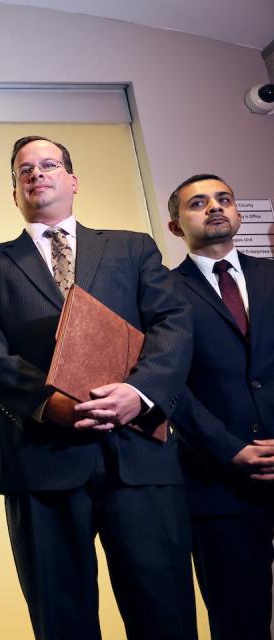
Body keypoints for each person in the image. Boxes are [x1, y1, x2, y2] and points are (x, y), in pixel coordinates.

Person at [0, 136, 197, 639]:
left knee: (165, 613)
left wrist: (140, 392)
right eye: (25, 169)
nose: (37, 173)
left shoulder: (133, 248)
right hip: (41, 459)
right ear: (14, 190)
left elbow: (172, 324)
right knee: (61, 619)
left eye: (49, 165)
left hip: (139, 454)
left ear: (73, 180)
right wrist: (47, 404)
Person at [167, 173, 274, 640]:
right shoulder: (160, 293)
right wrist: (228, 449)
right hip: (216, 482)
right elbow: (167, 384)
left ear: (237, 212)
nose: (213, 207)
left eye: (223, 199)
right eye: (197, 203)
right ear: (175, 226)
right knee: (239, 623)